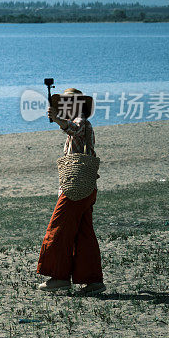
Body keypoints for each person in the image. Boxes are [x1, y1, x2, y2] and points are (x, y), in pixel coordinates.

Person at [36, 88, 106, 295]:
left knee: (58, 228)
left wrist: (58, 120)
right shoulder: (81, 122)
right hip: (86, 186)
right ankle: (93, 281)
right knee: (84, 234)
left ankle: (59, 277)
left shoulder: (81, 122)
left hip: (75, 188)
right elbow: (72, 130)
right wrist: (60, 121)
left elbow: (73, 129)